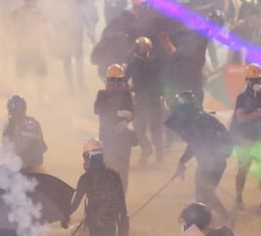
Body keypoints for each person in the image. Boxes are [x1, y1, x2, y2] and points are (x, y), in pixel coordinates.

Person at [169, 91, 233, 224]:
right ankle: (207, 223)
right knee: (202, 196)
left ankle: (225, 219)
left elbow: (195, 144)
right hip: (211, 163)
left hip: (211, 164)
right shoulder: (201, 118)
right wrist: (182, 162)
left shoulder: (197, 121)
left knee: (205, 194)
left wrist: (182, 162)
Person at [231, 63, 261, 211]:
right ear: (248, 81)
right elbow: (241, 118)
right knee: (243, 168)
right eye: (255, 80)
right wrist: (258, 113)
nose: (258, 83)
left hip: (260, 138)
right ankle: (238, 197)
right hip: (245, 139)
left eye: (259, 80)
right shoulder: (242, 97)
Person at [92, 64, 136, 192]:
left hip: (122, 140)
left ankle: (121, 202)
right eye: (113, 80)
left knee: (122, 172)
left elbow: (132, 112)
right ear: (108, 80)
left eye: (118, 80)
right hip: (107, 139)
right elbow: (97, 109)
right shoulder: (102, 94)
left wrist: (126, 118)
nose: (115, 83)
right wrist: (117, 113)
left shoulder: (126, 94)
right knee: (108, 170)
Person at [126, 36, 166, 165]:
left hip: (141, 100)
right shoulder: (158, 62)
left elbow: (127, 77)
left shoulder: (134, 61)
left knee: (139, 129)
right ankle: (159, 158)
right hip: (155, 101)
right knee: (156, 131)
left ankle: (146, 150)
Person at [2, 95, 47, 171]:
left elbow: (23, 149)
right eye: (11, 110)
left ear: (23, 110)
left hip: (32, 168)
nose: (13, 113)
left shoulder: (30, 125)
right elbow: (5, 147)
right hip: (16, 166)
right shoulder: (9, 126)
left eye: (16, 110)